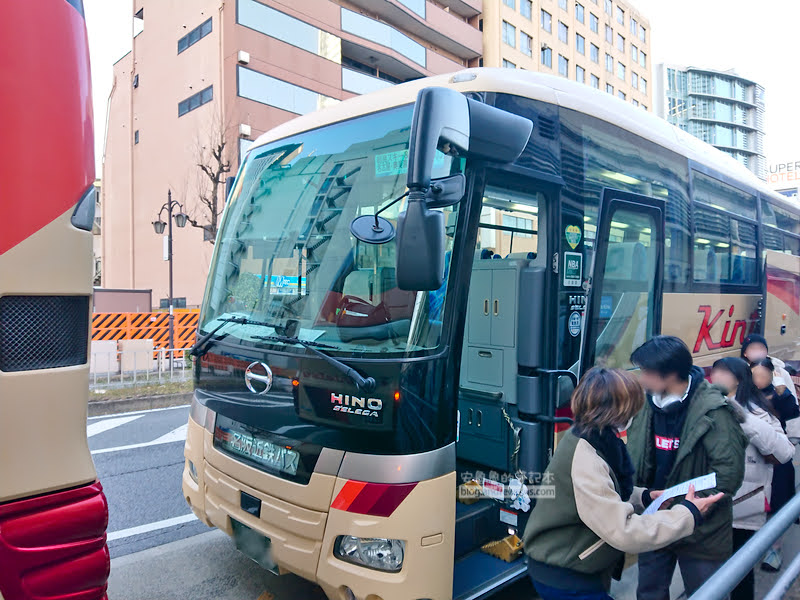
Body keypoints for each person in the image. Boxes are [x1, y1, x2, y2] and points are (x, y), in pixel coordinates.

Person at [523, 367, 724, 600]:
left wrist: (645, 497)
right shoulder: (586, 456)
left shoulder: (591, 436)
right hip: (567, 575)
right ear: (616, 410)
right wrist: (687, 513)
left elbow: (604, 491)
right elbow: (623, 531)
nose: (636, 413)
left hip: (568, 566)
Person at [626, 336, 747, 600]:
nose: (642, 379)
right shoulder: (645, 405)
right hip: (655, 520)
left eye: (646, 372)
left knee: (706, 594)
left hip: (701, 530)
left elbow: (729, 475)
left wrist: (689, 509)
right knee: (649, 592)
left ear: (670, 375)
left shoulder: (715, 412)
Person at [710, 357, 794, 600]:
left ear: (738, 379)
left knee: (740, 575)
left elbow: (785, 452)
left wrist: (741, 417)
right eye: (714, 372)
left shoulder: (756, 412)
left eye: (722, 372)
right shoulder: (704, 407)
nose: (715, 377)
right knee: (708, 573)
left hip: (742, 508)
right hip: (707, 505)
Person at [751, 357, 800, 572]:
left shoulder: (780, 393)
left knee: (776, 502)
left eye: (763, 376)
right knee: (757, 503)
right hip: (754, 457)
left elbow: (792, 413)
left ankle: (775, 550)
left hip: (776, 457)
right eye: (755, 376)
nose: (759, 380)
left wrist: (783, 392)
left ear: (772, 375)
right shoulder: (746, 395)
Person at [741, 334, 798, 402]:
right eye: (753, 348)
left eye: (761, 348)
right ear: (745, 353)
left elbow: (793, 400)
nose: (757, 351)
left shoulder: (780, 371)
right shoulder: (740, 371)